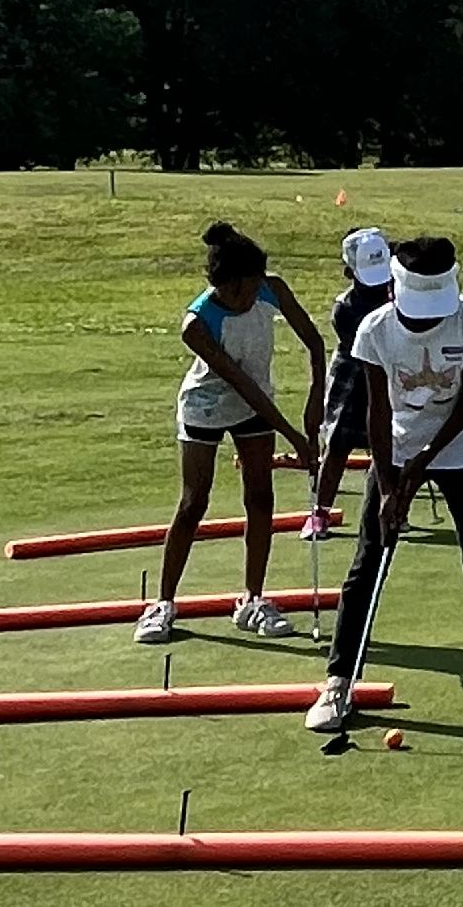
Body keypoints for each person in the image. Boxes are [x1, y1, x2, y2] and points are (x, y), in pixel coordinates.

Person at [307, 234, 463, 731]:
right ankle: (338, 683)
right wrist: (388, 485)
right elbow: (377, 413)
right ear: (393, 291)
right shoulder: (375, 331)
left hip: (461, 449)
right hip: (398, 448)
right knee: (368, 562)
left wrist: (425, 460)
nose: (427, 319)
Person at [138, 222, 326, 643]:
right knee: (193, 502)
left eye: (252, 287)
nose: (247, 298)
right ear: (219, 284)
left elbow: (314, 344)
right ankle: (163, 604)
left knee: (260, 498)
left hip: (255, 404)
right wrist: (294, 436)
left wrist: (317, 399)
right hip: (206, 405)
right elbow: (240, 382)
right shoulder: (197, 325)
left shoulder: (270, 287)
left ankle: (253, 600)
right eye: (239, 292)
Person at [300, 227, 396, 541]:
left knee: (390, 447)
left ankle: (393, 507)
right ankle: (320, 513)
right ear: (348, 271)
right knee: (338, 445)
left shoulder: (399, 294)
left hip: (390, 374)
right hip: (353, 376)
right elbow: (369, 350)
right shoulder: (345, 309)